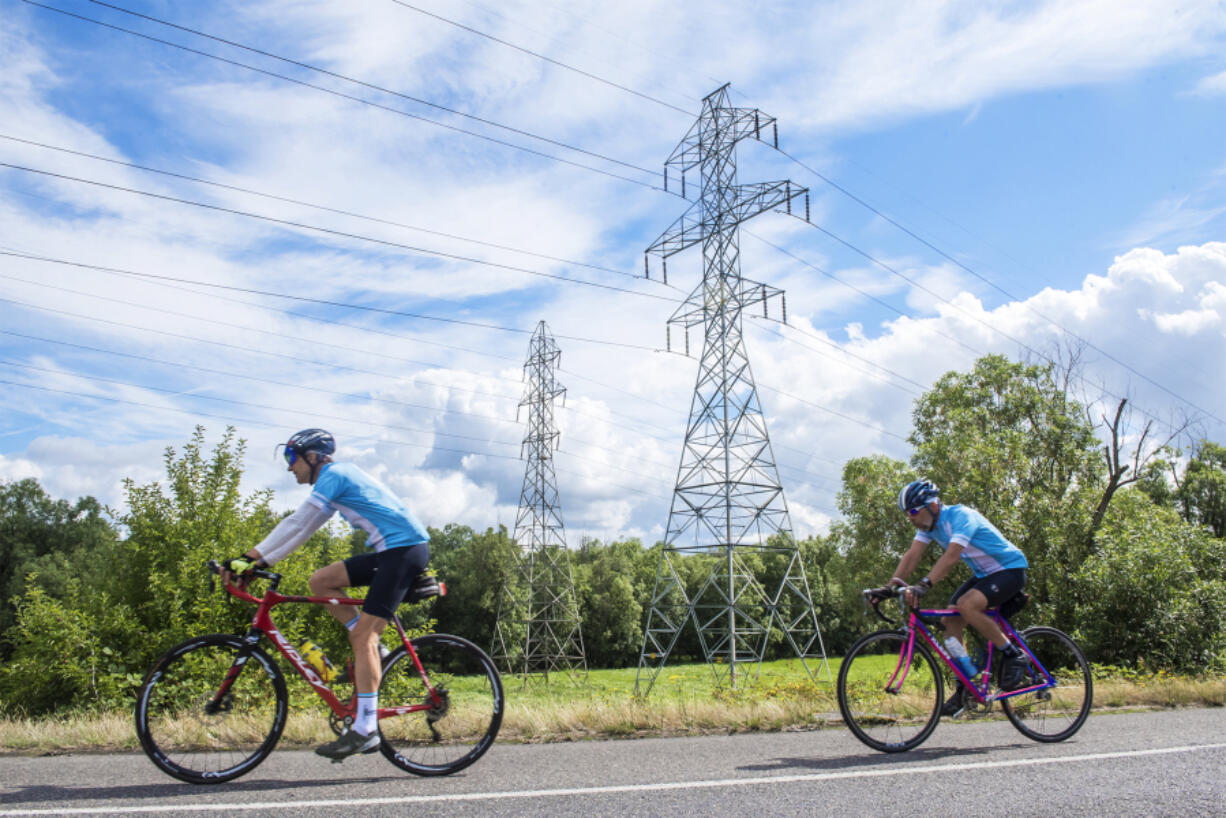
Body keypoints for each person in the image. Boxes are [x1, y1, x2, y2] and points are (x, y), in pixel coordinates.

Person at [221, 428, 430, 760]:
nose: (290, 468)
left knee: (363, 638)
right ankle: (379, 650)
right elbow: (303, 529)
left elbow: (297, 521)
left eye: (292, 459)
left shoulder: (335, 475)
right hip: (391, 549)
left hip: (403, 551)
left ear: (314, 457)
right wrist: (259, 561)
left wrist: (248, 559)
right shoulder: (333, 481)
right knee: (320, 581)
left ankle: (366, 730)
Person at [884, 479, 1030, 717]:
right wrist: (888, 588)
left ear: (931, 505)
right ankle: (967, 686)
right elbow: (911, 556)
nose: (910, 518)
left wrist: (924, 585)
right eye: (906, 514)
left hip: (1010, 569)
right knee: (950, 622)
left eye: (912, 511)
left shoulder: (960, 517)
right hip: (985, 574)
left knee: (966, 605)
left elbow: (952, 557)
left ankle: (1015, 654)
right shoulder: (927, 527)